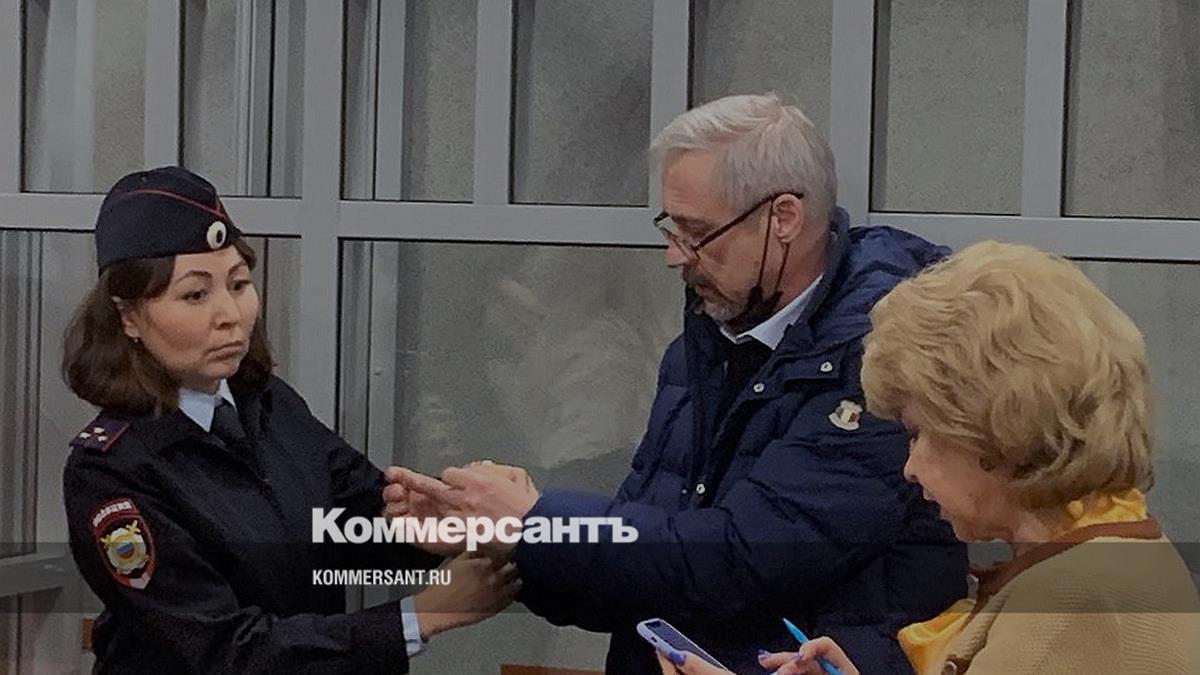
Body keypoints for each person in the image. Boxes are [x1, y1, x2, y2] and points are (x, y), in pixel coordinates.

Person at [389, 93, 966, 673]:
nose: (674, 255)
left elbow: (740, 563)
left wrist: (537, 523)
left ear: (784, 218)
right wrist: (499, 535)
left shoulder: (885, 359)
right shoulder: (708, 341)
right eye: (670, 228)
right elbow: (639, 576)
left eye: (697, 232)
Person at [652, 241, 1200, 674]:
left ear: (995, 430)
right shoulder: (1094, 566)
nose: (909, 467)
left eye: (919, 433)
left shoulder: (1074, 605)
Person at [61, 167, 519, 674]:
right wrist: (419, 616)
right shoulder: (110, 471)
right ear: (128, 317)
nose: (230, 314)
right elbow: (221, 652)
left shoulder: (267, 404)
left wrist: (435, 526)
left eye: (239, 284)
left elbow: (351, 521)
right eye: (195, 295)